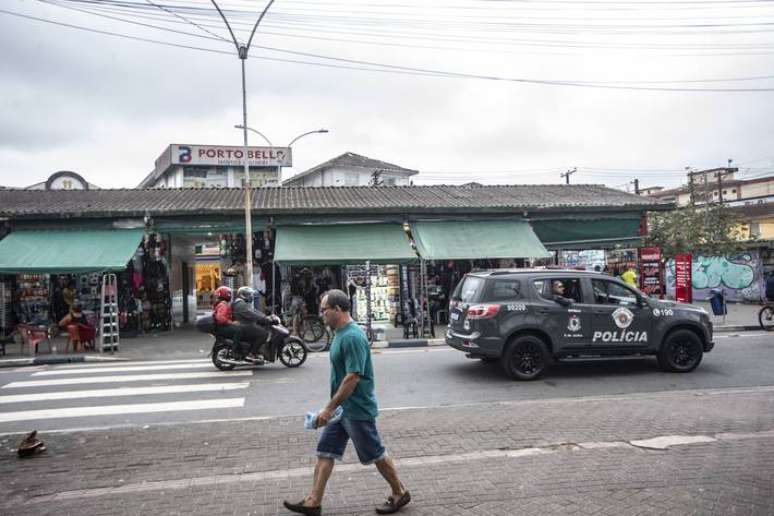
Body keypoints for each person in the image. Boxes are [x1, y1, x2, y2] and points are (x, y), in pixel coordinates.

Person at [283, 289, 410, 516]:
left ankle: (400, 491)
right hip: (342, 410)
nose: (322, 315)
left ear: (338, 310)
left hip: (356, 409)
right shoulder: (341, 333)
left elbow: (352, 377)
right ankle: (313, 501)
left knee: (376, 454)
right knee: (325, 452)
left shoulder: (352, 337)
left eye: (325, 310)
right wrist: (333, 408)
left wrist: (329, 408)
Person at [231, 286, 278, 361]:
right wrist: (264, 319)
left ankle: (256, 351)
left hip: (245, 325)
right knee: (264, 334)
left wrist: (266, 317)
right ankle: (252, 353)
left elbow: (254, 311)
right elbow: (251, 314)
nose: (250, 296)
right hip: (244, 326)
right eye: (248, 295)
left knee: (260, 329)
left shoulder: (242, 303)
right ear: (243, 295)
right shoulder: (241, 304)